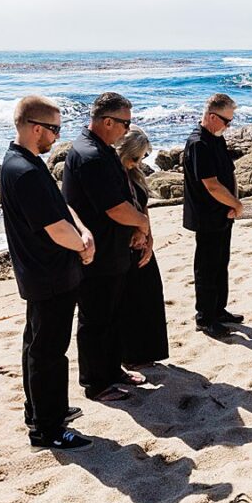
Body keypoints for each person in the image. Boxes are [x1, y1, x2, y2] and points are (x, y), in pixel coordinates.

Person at [0, 95, 96, 450]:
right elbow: (54, 228)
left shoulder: (26, 162)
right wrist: (83, 247)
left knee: (39, 347)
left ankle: (43, 410)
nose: (57, 137)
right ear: (36, 128)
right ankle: (47, 428)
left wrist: (83, 231)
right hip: (47, 274)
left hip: (46, 273)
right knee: (47, 353)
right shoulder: (22, 170)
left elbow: (62, 207)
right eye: (54, 129)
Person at [63, 92, 151, 404]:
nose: (128, 131)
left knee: (113, 315)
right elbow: (115, 208)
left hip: (113, 252)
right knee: (96, 319)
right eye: (125, 123)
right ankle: (96, 383)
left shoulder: (101, 149)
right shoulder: (90, 155)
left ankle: (113, 369)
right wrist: (142, 223)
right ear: (107, 121)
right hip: (96, 254)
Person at [183, 93, 245, 336]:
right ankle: (205, 317)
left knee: (221, 264)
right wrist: (237, 205)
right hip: (206, 215)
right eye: (226, 121)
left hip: (223, 213)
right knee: (207, 268)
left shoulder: (216, 138)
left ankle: (219, 309)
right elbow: (211, 184)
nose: (229, 126)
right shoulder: (199, 143)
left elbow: (228, 174)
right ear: (211, 116)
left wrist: (233, 203)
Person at [116, 126, 169, 369]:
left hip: (141, 240)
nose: (137, 162)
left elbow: (143, 206)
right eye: (135, 157)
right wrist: (136, 232)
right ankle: (130, 356)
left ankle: (147, 353)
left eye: (143, 157)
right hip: (123, 243)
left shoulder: (135, 174)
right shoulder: (113, 174)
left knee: (149, 296)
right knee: (129, 302)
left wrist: (148, 237)